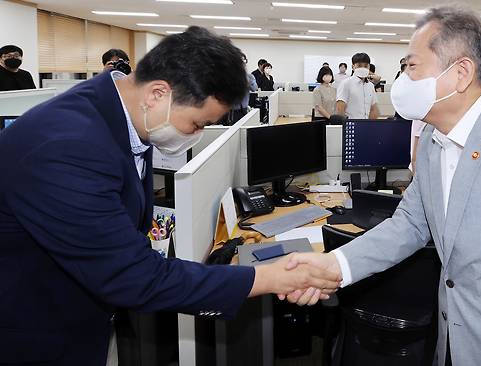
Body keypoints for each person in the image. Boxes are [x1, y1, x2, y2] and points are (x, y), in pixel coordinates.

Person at [281, 5, 481, 366]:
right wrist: (334, 265)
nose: (403, 79)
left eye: (412, 67)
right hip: (450, 342)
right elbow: (410, 224)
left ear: (460, 73)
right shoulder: (437, 139)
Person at [0, 26, 340, 365]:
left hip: (88, 317)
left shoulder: (127, 114)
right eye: (197, 124)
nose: (198, 134)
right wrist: (270, 277)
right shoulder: (68, 146)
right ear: (158, 94)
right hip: (35, 335)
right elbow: (133, 278)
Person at [336, 53, 379, 119]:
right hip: (351, 125)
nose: (363, 68)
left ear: (369, 67)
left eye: (365, 66)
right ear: (353, 67)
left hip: (366, 125)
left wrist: (371, 126)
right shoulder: (346, 83)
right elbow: (340, 109)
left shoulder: (370, 86)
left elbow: (374, 108)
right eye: (359, 65)